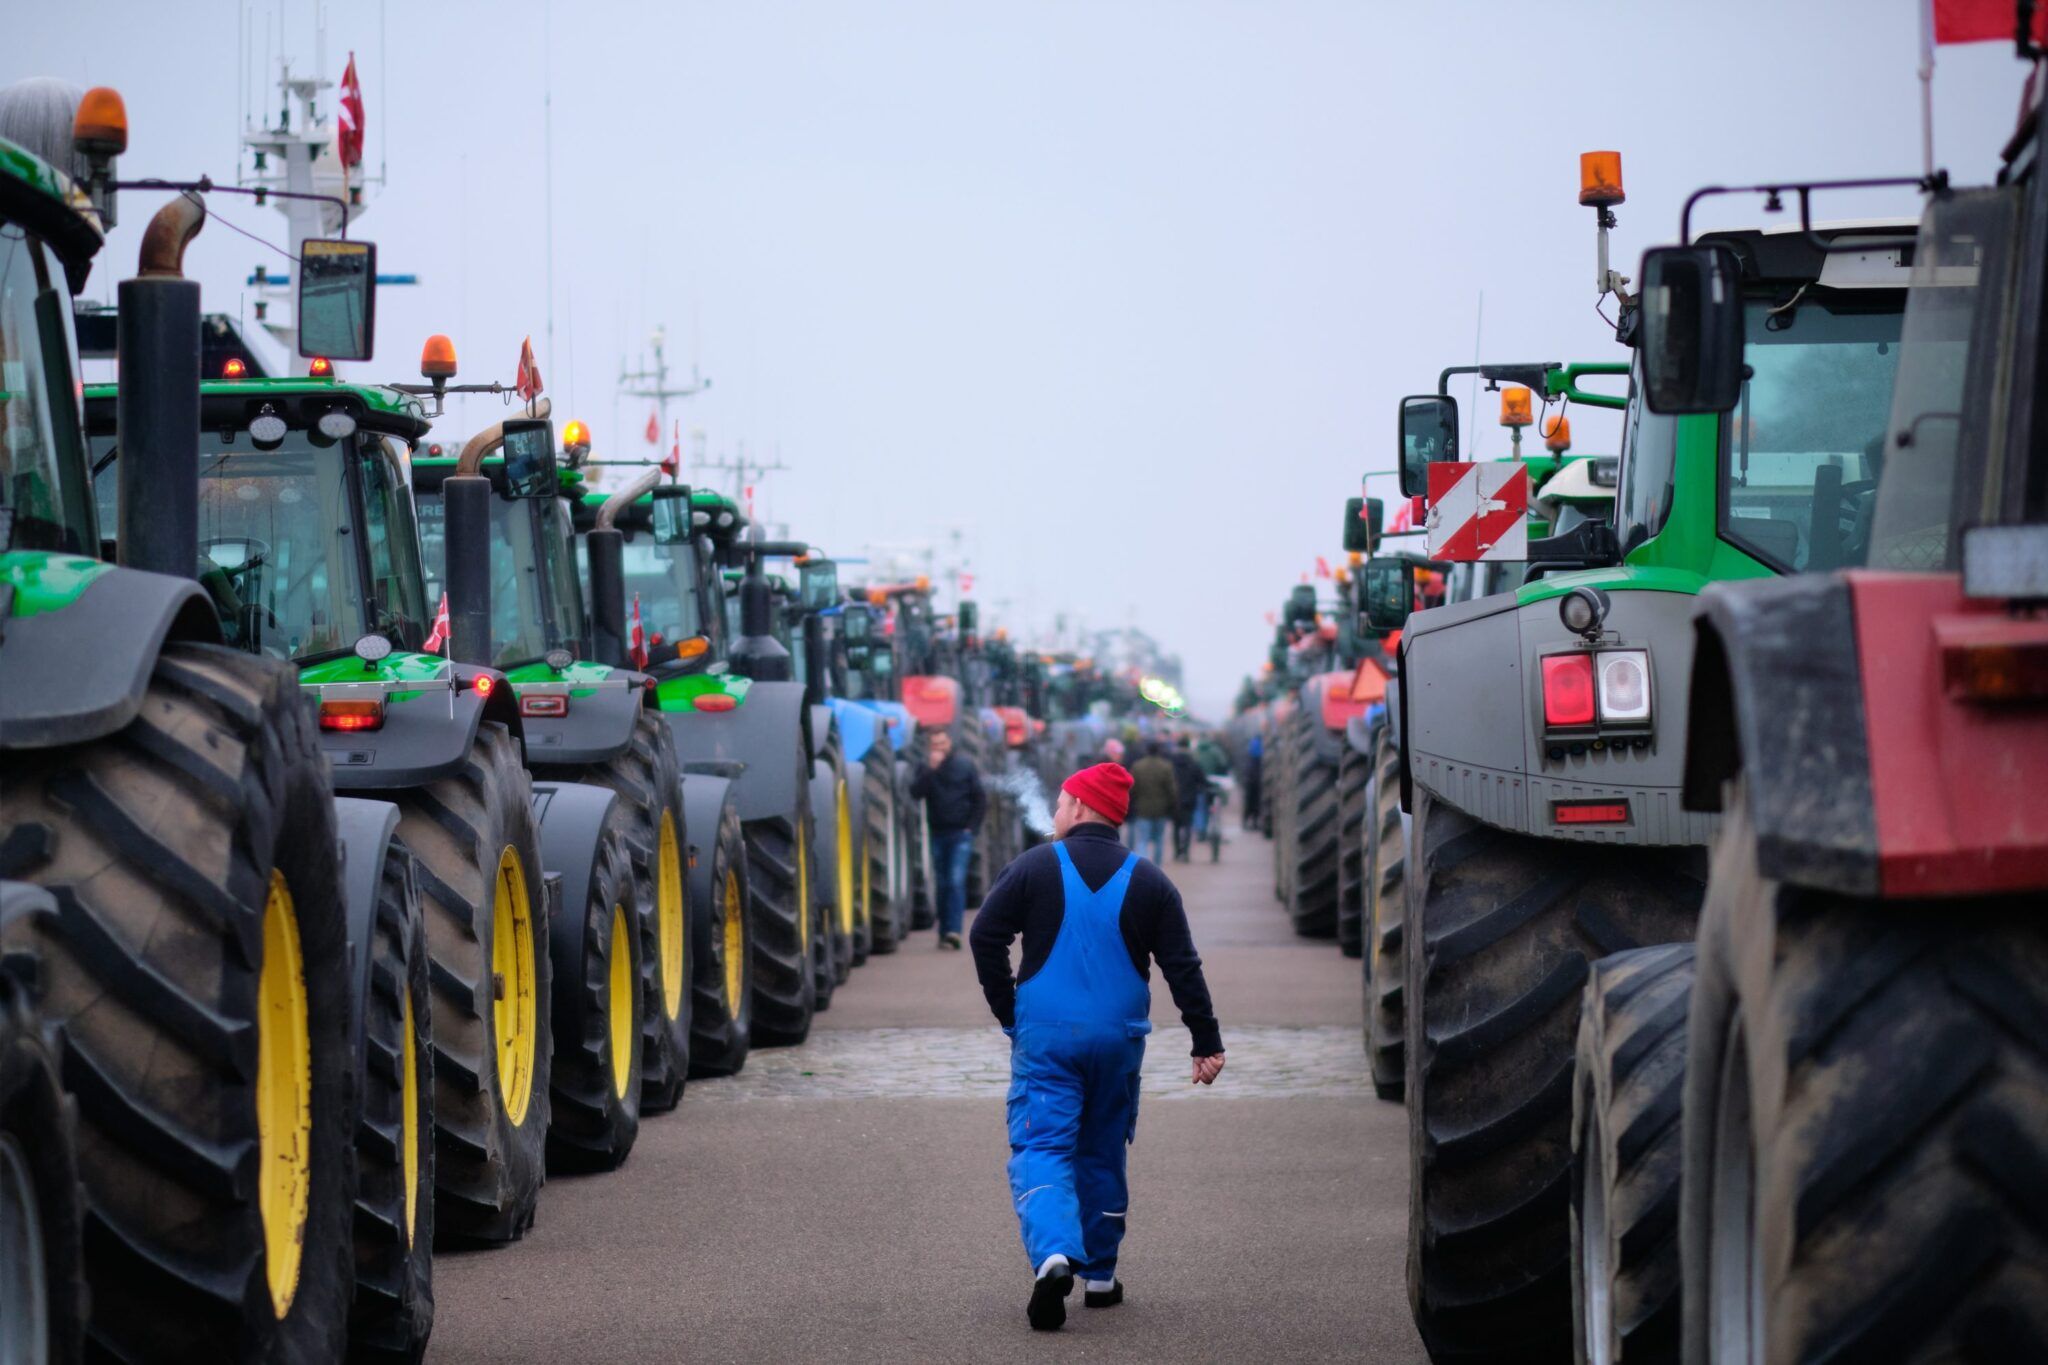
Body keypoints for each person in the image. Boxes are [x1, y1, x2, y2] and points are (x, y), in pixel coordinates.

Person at [969, 762, 1225, 1331]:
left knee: (1042, 1147)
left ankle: (1055, 1255)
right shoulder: (1151, 880)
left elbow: (985, 935)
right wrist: (1204, 1041)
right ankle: (1102, 1277)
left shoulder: (1034, 867)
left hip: (1047, 1040)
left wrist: (1007, 1011)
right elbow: (1182, 967)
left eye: (1060, 803)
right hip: (1118, 1043)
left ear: (1080, 807)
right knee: (1105, 1147)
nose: (1056, 813)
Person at [909, 729, 986, 949]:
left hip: (960, 834)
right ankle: (944, 932)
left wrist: (971, 828)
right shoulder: (926, 769)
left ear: (950, 743)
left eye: (942, 743)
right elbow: (915, 793)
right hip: (937, 834)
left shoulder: (964, 765)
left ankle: (954, 931)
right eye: (935, 744)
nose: (939, 748)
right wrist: (931, 771)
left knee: (954, 882)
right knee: (942, 884)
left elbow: (979, 798)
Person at [1126, 742, 1176, 863]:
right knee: (1159, 839)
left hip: (1142, 809)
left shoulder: (1138, 766)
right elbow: (1171, 790)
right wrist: (1172, 805)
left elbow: (1132, 789)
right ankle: (1157, 867)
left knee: (1143, 840)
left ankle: (1143, 867)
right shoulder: (1166, 766)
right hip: (1161, 809)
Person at [1167, 737, 1205, 863]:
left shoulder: (1171, 763)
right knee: (1188, 827)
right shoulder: (1194, 763)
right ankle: (1186, 852)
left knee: (1176, 827)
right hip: (1189, 799)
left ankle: (1177, 851)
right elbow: (1202, 781)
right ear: (1188, 747)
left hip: (1174, 800)